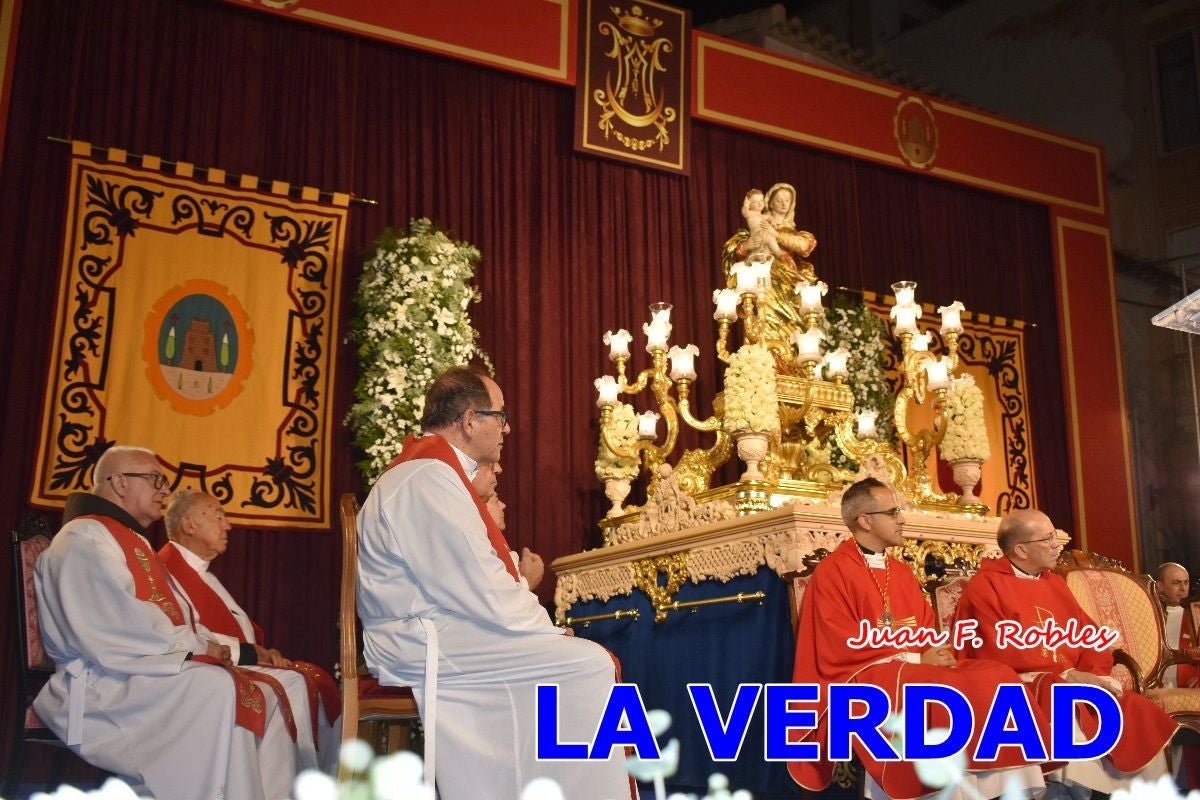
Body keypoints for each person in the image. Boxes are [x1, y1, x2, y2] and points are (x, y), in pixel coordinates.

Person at [357, 367, 631, 799]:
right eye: (500, 417)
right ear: (469, 420)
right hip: (421, 640)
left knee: (569, 659)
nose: (507, 427)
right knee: (587, 663)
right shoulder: (427, 478)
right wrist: (547, 630)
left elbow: (473, 582)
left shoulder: (435, 474)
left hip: (440, 628)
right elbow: (479, 587)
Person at [34, 445, 297, 800]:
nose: (164, 490)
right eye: (155, 479)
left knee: (256, 688)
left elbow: (175, 615)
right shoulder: (85, 538)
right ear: (119, 482)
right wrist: (203, 647)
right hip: (102, 683)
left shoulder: (125, 539)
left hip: (130, 668)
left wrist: (209, 645)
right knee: (215, 686)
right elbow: (119, 625)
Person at [788, 477, 1051, 799]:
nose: (901, 518)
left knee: (995, 674)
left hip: (910, 665)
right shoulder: (833, 572)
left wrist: (936, 652)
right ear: (865, 520)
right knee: (940, 686)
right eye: (893, 512)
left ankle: (995, 785)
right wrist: (914, 658)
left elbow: (925, 627)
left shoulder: (900, 571)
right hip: (861, 673)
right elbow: (838, 643)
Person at [953, 509, 1178, 793]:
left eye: (1055, 536)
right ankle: (1073, 792)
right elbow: (993, 650)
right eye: (1048, 539)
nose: (1057, 545)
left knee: (1135, 710)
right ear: (1021, 549)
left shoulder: (1053, 582)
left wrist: (1095, 674)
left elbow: (1091, 636)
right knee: (1063, 706)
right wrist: (1069, 674)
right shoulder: (985, 587)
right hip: (1018, 685)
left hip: (1070, 681)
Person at [160, 489, 342, 773]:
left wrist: (263, 652)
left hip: (232, 663)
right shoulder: (165, 571)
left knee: (317, 680)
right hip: (198, 672)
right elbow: (180, 630)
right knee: (294, 683)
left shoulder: (203, 574)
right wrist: (249, 653)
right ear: (189, 525)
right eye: (219, 516)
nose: (228, 525)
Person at [470, 461, 544, 592]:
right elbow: (492, 598)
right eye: (496, 500)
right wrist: (527, 582)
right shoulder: (473, 538)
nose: (503, 505)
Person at [1157, 562, 1198, 689]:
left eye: (1186, 582)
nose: (1183, 588)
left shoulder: (1196, 614)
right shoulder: (1148, 613)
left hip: (1187, 688)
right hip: (1155, 688)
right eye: (1176, 583)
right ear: (1159, 586)